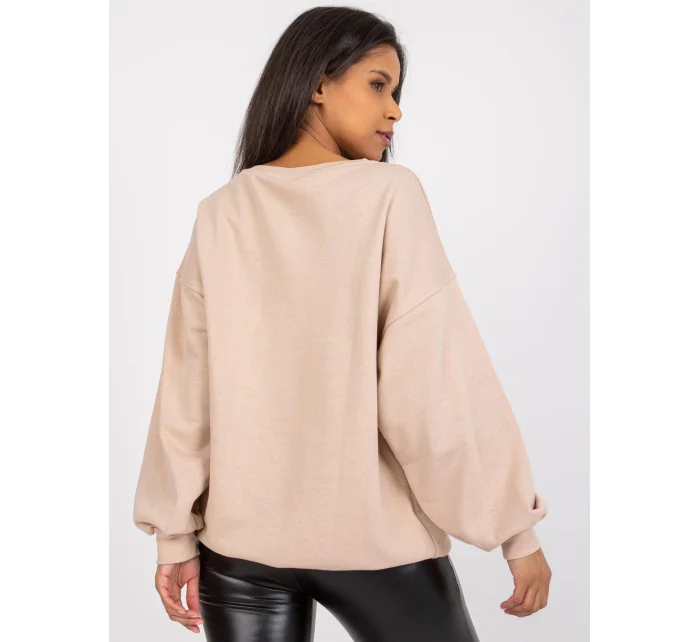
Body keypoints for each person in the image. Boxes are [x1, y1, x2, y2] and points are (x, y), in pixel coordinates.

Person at [132, 6, 552, 641]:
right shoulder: (388, 194)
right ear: (318, 83)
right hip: (374, 547)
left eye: (397, 92)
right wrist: (514, 529)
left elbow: (186, 394)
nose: (395, 111)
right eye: (378, 84)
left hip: (239, 553)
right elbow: (432, 384)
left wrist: (174, 537)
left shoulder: (221, 211)